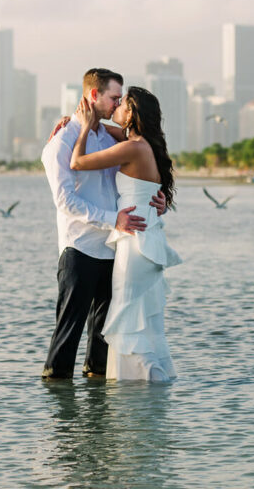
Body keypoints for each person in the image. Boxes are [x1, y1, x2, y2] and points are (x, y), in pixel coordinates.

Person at [41, 68, 167, 380]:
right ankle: (62, 418)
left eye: (120, 99)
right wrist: (115, 220)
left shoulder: (106, 137)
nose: (117, 104)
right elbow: (65, 201)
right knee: (65, 341)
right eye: (113, 98)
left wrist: (157, 199)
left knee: (102, 347)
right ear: (94, 95)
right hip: (81, 249)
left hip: (114, 252)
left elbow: (143, 157)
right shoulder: (61, 142)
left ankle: (99, 422)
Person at [70, 86, 181, 381]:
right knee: (139, 318)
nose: (116, 107)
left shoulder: (133, 148)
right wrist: (76, 119)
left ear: (131, 113)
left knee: (128, 313)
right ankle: (145, 386)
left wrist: (81, 132)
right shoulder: (142, 144)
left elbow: (77, 162)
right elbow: (106, 126)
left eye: (122, 104)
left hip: (135, 243)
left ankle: (137, 384)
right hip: (144, 239)